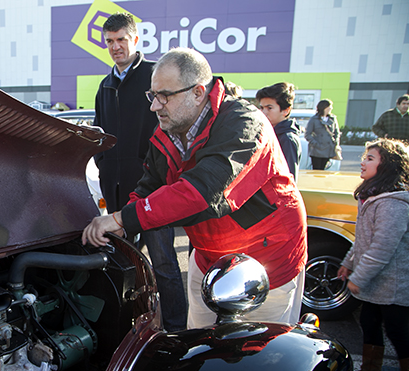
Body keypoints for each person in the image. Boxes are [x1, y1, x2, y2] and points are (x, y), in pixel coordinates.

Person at [82, 47, 307, 328]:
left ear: (198, 92)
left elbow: (202, 192)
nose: (154, 106)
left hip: (266, 259)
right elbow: (148, 187)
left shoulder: (244, 124)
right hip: (208, 256)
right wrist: (122, 222)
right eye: (152, 96)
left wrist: (120, 218)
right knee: (200, 341)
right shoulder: (166, 130)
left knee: (259, 356)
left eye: (164, 96)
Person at [93, 13, 187, 330]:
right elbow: (102, 136)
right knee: (120, 261)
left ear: (135, 40)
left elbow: (173, 131)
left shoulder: (154, 77)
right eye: (110, 41)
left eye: (121, 39)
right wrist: (104, 166)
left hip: (152, 191)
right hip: (115, 189)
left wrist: (153, 172)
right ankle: (128, 324)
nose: (116, 47)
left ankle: (175, 331)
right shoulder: (105, 86)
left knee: (162, 261)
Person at [337, 138, 409, 371]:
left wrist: (359, 278)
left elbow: (382, 248)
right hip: (377, 283)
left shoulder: (394, 202)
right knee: (369, 321)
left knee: (399, 332)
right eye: (364, 157)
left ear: (387, 165)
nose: (362, 161)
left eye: (370, 158)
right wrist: (348, 263)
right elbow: (363, 240)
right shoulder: (374, 196)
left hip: (392, 283)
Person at [256, 82, 301, 178]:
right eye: (261, 108)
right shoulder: (268, 133)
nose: (263, 112)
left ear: (286, 110)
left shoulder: (287, 139)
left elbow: (288, 179)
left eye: (269, 108)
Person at [305, 99, 341, 170]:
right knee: (317, 169)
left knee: (324, 169)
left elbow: (336, 132)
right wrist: (316, 144)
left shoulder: (332, 119)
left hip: (328, 149)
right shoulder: (314, 119)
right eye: (329, 107)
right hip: (317, 150)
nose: (331, 108)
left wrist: (335, 143)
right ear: (324, 107)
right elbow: (308, 134)